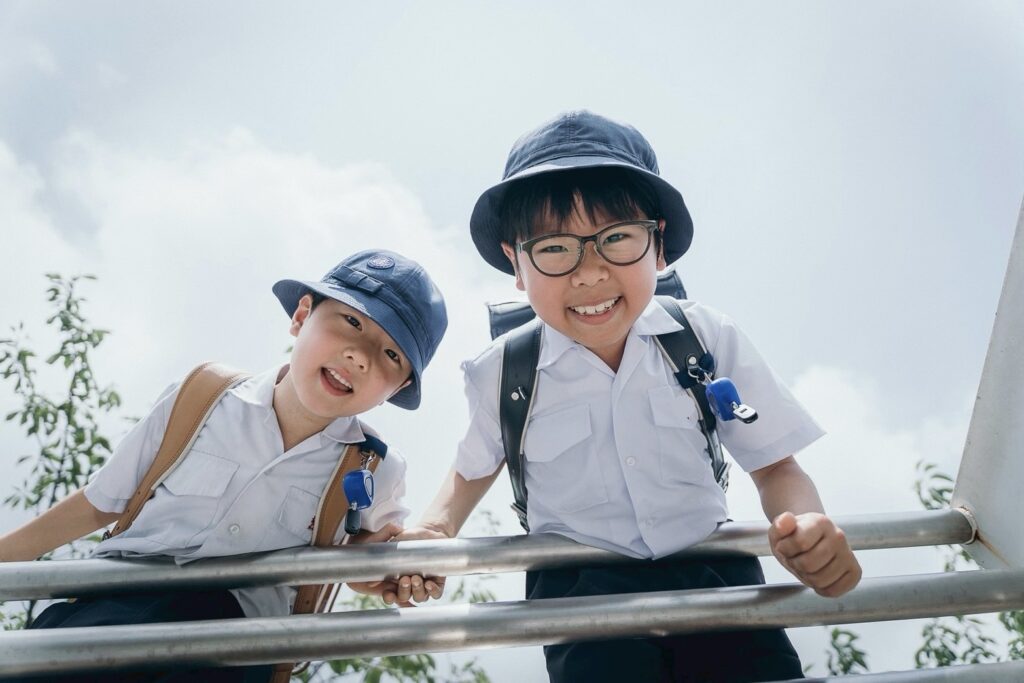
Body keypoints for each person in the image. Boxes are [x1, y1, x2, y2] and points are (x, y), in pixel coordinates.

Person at [394, 111, 862, 682]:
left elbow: (775, 466)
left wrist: (808, 527)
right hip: (580, 594)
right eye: (554, 248)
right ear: (516, 262)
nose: (590, 274)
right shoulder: (504, 370)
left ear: (658, 246)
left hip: (715, 576)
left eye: (616, 238)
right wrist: (433, 535)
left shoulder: (703, 338)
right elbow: (470, 471)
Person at [0, 249, 447, 682]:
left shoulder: (375, 466)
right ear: (301, 315)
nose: (360, 355)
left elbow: (366, 563)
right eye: (352, 321)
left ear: (397, 388)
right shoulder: (201, 398)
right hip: (115, 606)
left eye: (391, 355)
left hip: (233, 648)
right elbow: (100, 502)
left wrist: (398, 565)